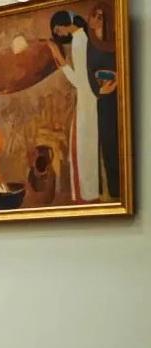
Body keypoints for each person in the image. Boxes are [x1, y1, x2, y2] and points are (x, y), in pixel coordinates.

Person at [48, 11, 99, 203]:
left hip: (87, 101)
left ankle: (86, 195)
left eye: (57, 30)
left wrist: (60, 61)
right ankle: (90, 193)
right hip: (89, 100)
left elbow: (80, 81)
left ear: (64, 23)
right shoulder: (83, 37)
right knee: (88, 148)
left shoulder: (79, 40)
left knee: (83, 150)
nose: (59, 34)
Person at [85, 1, 119, 199]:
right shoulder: (90, 42)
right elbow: (89, 72)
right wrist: (99, 90)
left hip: (117, 96)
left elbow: (123, 65)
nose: (95, 20)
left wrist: (117, 82)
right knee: (107, 143)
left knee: (119, 142)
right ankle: (114, 191)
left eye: (100, 17)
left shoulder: (114, 40)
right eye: (93, 15)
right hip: (102, 98)